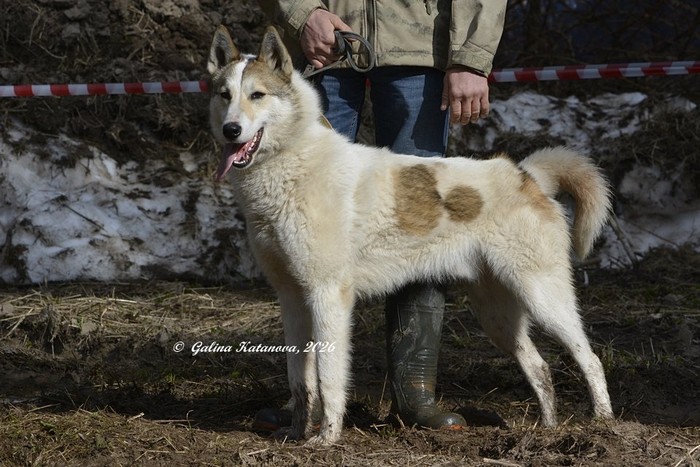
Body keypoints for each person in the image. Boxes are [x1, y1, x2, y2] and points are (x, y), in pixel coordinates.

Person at [255, 0, 506, 431]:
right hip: (322, 47)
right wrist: (302, 12)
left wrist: (470, 54)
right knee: (306, 235)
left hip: (419, 43)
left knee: (421, 225)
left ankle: (415, 395)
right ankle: (307, 400)